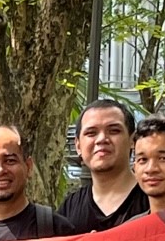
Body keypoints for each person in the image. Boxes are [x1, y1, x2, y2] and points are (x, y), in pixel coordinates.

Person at [59, 98, 149, 233]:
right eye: (91, 133)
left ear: (132, 140)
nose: (101, 139)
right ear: (78, 146)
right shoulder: (69, 209)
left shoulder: (154, 197)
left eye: (113, 131)